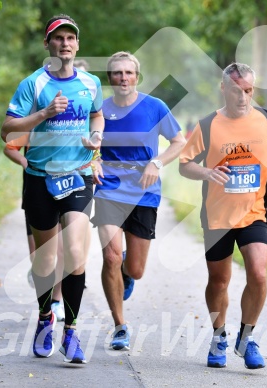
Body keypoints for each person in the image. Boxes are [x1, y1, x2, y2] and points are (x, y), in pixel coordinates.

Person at [0, 14, 103, 364]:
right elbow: (8, 130)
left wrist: (97, 137)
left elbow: (98, 115)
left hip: (77, 175)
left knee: (75, 253)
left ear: (77, 44)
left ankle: (71, 331)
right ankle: (46, 316)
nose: (65, 43)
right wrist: (43, 113)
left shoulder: (90, 83)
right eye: (58, 38)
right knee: (45, 262)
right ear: (48, 44)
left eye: (70, 38)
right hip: (40, 178)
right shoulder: (33, 83)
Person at [178, 62, 267, 369]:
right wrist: (207, 172)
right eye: (238, 90)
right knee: (219, 281)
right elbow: (184, 164)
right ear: (223, 88)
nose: (244, 97)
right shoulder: (208, 125)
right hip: (217, 217)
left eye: (250, 91)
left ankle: (246, 337)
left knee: (258, 273)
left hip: (254, 211)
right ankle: (218, 336)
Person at [90, 51, 186, 351]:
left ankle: (126, 276)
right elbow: (88, 143)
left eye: (128, 73)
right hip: (109, 190)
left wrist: (156, 162)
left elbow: (179, 142)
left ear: (137, 77)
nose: (123, 78)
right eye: (117, 73)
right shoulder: (100, 110)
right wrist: (93, 160)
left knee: (136, 268)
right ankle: (120, 326)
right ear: (110, 78)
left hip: (144, 193)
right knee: (111, 257)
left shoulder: (154, 107)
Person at [3, 137, 65, 322]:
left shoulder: (71, 123)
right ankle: (41, 276)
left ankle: (56, 301)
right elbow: (9, 148)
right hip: (35, 192)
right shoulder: (34, 121)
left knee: (60, 252)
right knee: (38, 255)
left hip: (64, 191)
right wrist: (24, 162)